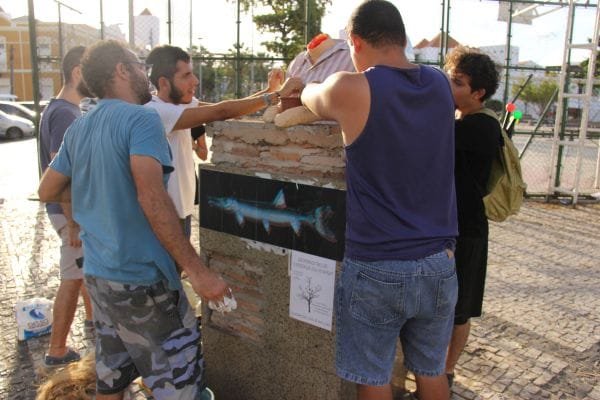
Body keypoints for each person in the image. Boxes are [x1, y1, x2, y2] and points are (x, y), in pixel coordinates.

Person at [38, 40, 230, 400]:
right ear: (122, 71)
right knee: (182, 386)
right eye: (140, 66)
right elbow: (152, 198)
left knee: (111, 378)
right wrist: (198, 271)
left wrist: (92, 200)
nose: (146, 74)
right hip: (143, 281)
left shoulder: (80, 126)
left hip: (99, 275)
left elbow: (48, 188)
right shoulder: (142, 119)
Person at [300, 1, 458, 399]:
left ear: (354, 42)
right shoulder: (440, 83)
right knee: (431, 370)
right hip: (439, 261)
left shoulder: (350, 87)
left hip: (377, 264)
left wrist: (298, 87)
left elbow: (310, 96)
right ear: (402, 39)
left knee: (372, 378)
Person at [144, 44, 298, 237]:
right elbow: (220, 111)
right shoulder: (155, 111)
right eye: (186, 75)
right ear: (164, 83)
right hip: (166, 217)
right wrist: (277, 95)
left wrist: (269, 91)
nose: (195, 80)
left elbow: (228, 110)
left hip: (181, 210)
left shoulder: (179, 105)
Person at [443, 46, 501, 388]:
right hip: (450, 226)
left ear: (478, 93)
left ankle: (446, 372)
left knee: (458, 310)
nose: (449, 86)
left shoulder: (479, 126)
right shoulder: (462, 121)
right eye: (450, 78)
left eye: (458, 82)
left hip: (467, 230)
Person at [38, 45, 94, 367]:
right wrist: (73, 223)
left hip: (68, 212)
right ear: (77, 73)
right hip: (69, 213)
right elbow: (63, 173)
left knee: (81, 271)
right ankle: (57, 350)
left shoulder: (61, 109)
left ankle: (92, 318)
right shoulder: (65, 114)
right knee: (72, 278)